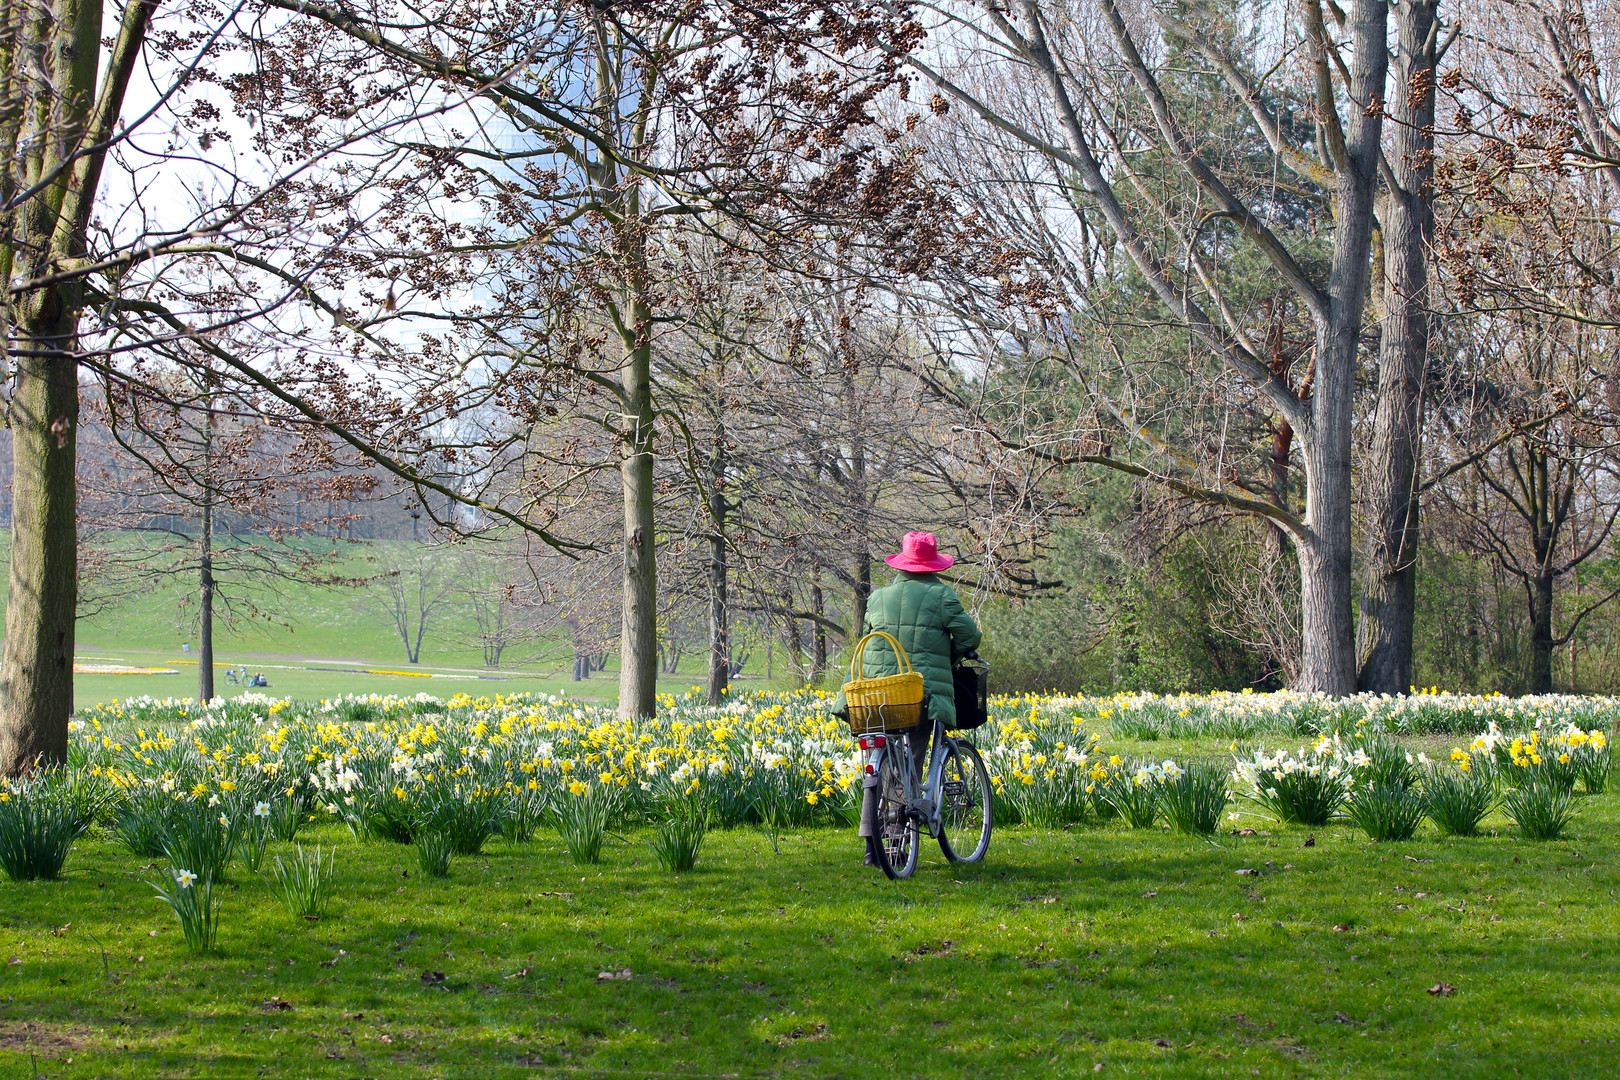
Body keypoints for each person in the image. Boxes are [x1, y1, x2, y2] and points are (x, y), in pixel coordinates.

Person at [841, 531, 980, 866]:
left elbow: (869, 639)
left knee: (881, 756)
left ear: (902, 564)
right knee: (911, 759)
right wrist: (952, 652)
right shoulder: (942, 596)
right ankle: (896, 841)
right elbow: (969, 635)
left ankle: (871, 845)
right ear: (932, 565)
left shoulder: (878, 598)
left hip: (874, 693)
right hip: (918, 693)